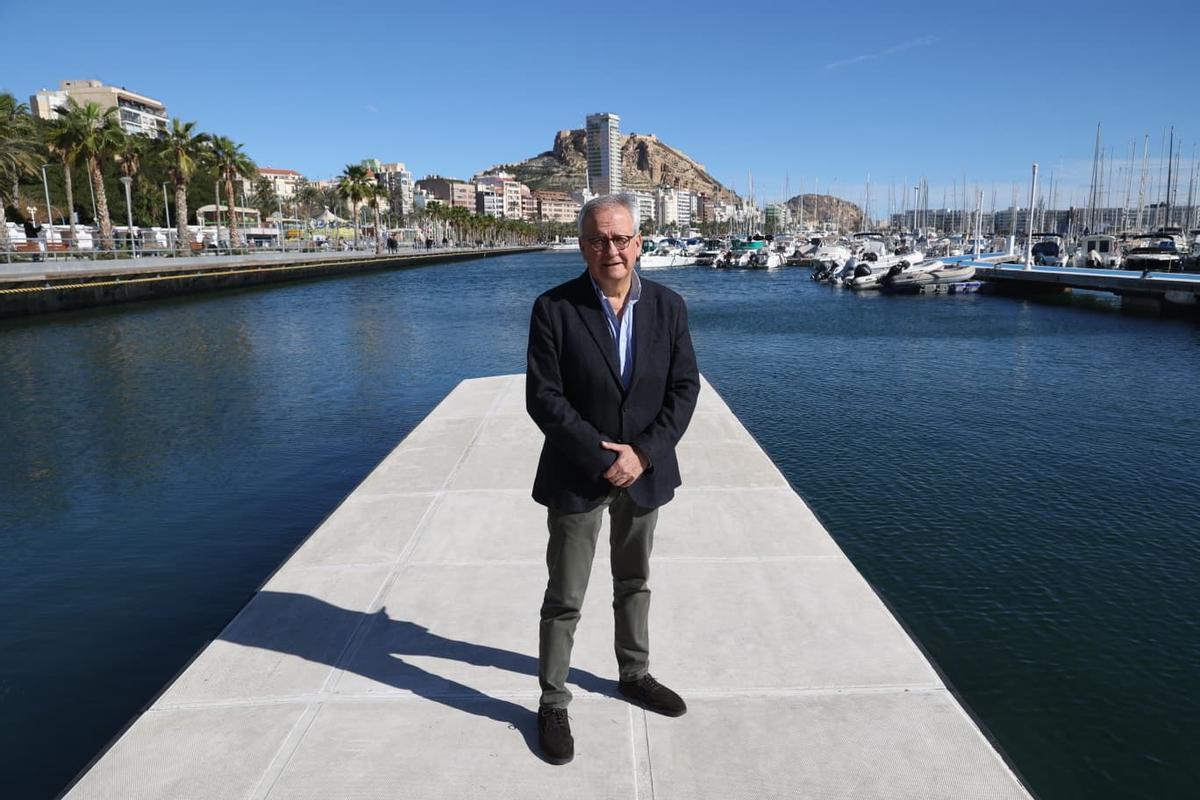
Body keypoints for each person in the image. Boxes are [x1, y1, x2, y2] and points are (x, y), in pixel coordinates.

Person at [526, 193, 699, 765]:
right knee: (565, 596)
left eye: (621, 238)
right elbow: (544, 398)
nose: (611, 249)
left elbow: (683, 390)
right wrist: (604, 458)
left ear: (639, 243)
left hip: (643, 472)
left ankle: (635, 673)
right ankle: (553, 701)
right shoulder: (553, 308)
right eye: (599, 239)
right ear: (582, 246)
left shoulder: (669, 307)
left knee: (634, 581)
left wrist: (642, 455)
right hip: (578, 474)